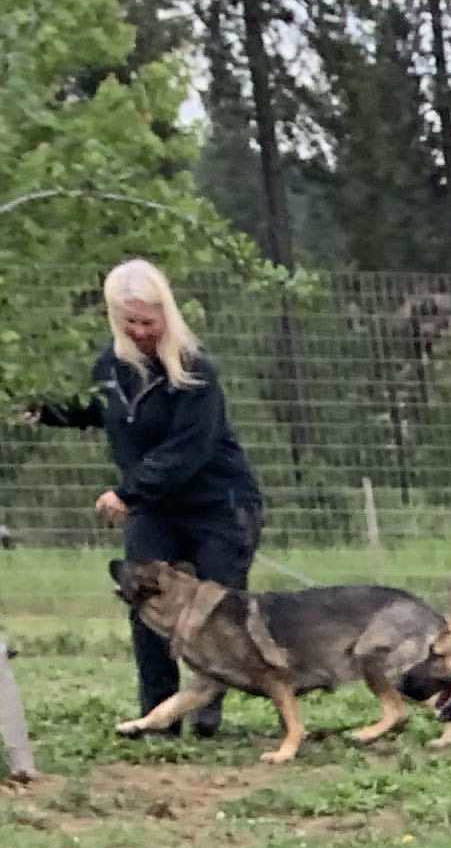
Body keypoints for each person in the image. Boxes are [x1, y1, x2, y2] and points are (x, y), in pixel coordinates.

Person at [17, 259, 265, 744]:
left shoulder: (197, 371)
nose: (140, 331)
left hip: (219, 503)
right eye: (130, 322)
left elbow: (187, 448)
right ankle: (157, 717)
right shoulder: (110, 366)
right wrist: (45, 410)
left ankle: (206, 709)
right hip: (155, 507)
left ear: (166, 315)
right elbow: (102, 410)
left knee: (215, 612)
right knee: (145, 602)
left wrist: (127, 492)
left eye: (149, 322)